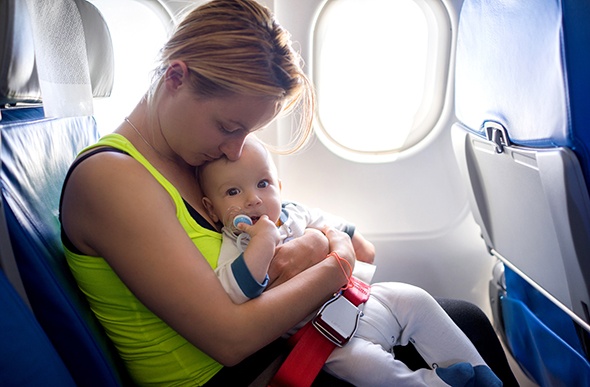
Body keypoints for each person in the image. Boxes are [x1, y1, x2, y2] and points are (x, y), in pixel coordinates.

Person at [60, 0, 517, 385]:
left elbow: (335, 238)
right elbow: (231, 339)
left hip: (285, 344)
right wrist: (336, 264)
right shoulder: (111, 181)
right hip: (243, 373)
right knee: (463, 326)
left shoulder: (195, 155)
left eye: (249, 133)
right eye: (228, 126)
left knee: (456, 315)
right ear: (176, 78)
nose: (236, 148)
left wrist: (325, 242)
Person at [198, 136, 503, 386]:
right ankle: (436, 383)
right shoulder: (235, 245)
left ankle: (480, 374)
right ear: (212, 210)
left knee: (414, 297)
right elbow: (236, 291)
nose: (253, 199)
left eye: (263, 184)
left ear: (279, 186)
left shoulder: (295, 213)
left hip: (361, 298)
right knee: (366, 368)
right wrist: (263, 242)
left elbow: (348, 235)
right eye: (234, 191)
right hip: (322, 335)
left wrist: (334, 238)